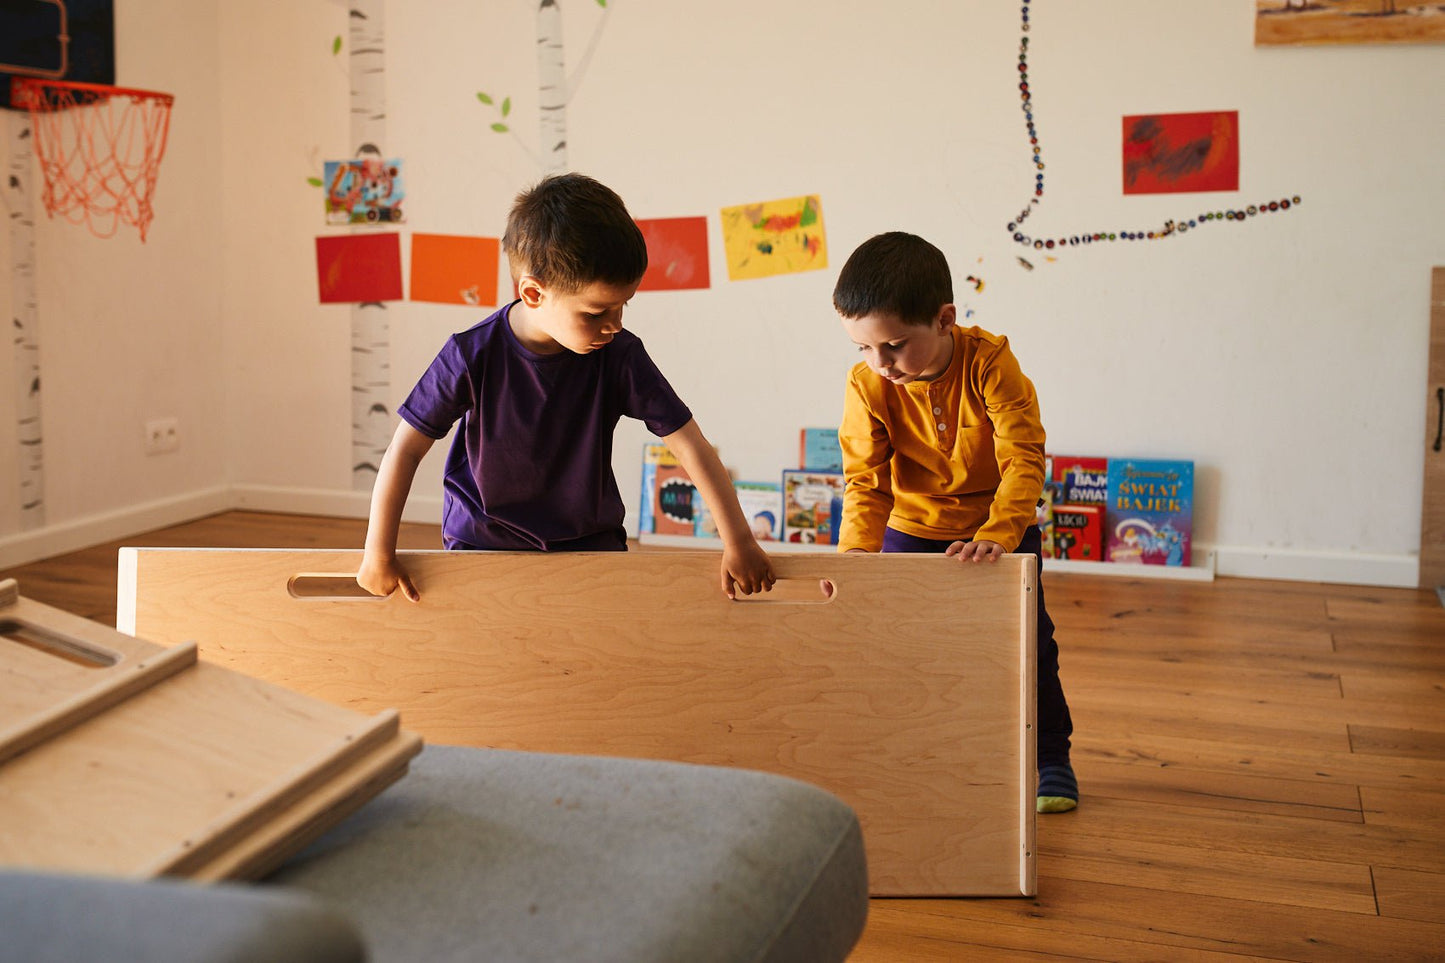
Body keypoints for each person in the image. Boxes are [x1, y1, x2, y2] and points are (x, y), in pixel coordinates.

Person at [359, 173, 776, 602]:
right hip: (482, 542)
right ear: (534, 293)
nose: (614, 325)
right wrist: (378, 552)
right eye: (597, 312)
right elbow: (405, 449)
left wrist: (739, 540)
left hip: (588, 543)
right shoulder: (470, 355)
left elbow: (690, 444)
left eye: (623, 306)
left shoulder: (619, 355)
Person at [831, 231, 1077, 814]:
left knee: (1027, 647)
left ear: (945, 319)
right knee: (900, 648)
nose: (880, 364)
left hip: (999, 530)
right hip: (910, 531)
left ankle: (1052, 757)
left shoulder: (991, 363)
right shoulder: (867, 385)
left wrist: (997, 534)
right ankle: (916, 749)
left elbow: (1023, 459)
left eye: (892, 345)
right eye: (864, 349)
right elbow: (865, 481)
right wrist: (856, 560)